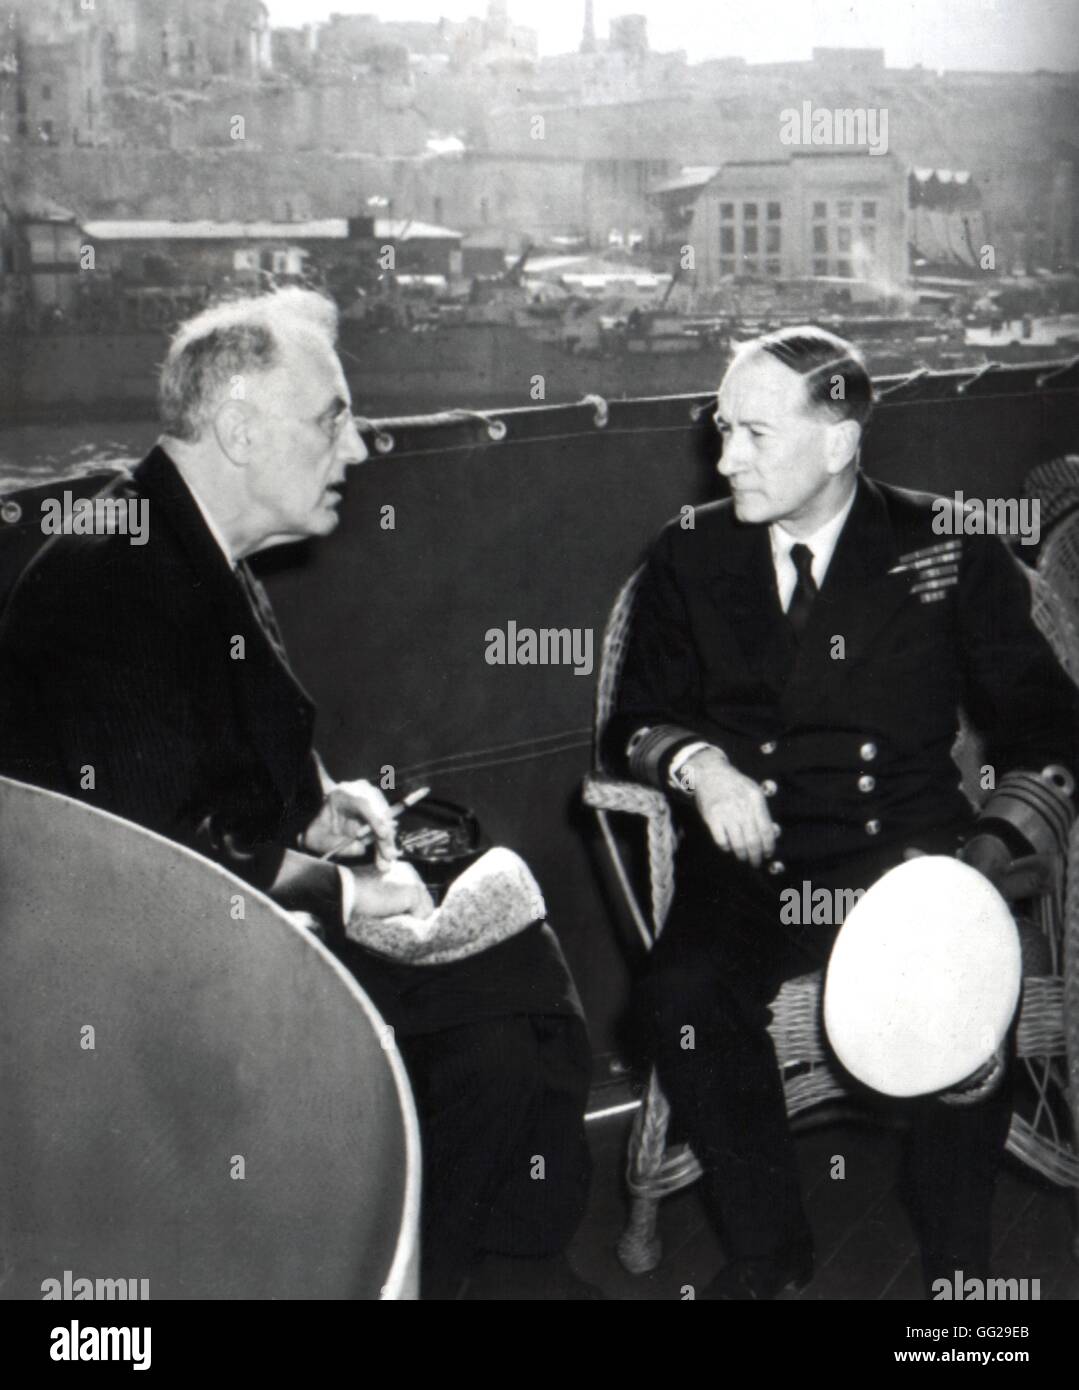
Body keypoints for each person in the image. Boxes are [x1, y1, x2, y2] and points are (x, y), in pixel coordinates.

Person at [0, 288, 592, 1300]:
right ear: (237, 429)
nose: (357, 450)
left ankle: (481, 1257)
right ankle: (434, 1266)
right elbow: (153, 864)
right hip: (132, 990)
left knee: (517, 1000)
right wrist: (347, 893)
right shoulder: (115, 583)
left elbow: (213, 768)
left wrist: (318, 807)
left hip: (213, 928)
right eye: (332, 419)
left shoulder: (187, 546)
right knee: (500, 1035)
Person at [607, 324, 1079, 1299]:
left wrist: (992, 847)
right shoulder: (691, 551)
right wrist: (699, 765)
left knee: (959, 987)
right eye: (719, 430)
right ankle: (768, 1252)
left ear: (836, 439)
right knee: (678, 995)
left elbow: (1048, 727)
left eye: (752, 434)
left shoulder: (941, 543)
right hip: (750, 865)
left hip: (901, 856)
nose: (724, 456)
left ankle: (958, 1274)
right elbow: (632, 724)